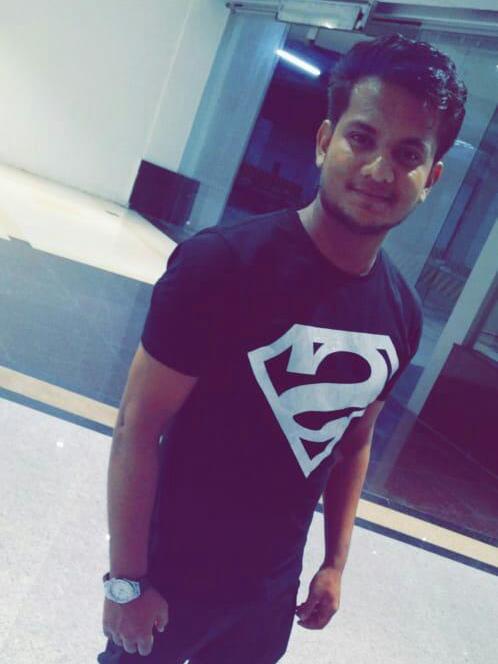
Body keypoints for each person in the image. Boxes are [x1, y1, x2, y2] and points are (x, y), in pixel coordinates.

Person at [98, 33, 467, 663]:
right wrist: (127, 581)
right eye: (362, 138)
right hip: (168, 573)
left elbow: (354, 442)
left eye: (408, 154)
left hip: (268, 595)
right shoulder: (220, 267)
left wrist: (334, 563)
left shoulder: (401, 314)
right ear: (324, 142)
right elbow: (138, 426)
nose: (380, 170)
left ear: (430, 178)